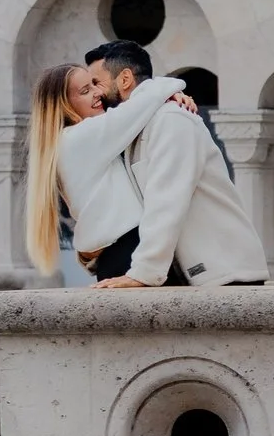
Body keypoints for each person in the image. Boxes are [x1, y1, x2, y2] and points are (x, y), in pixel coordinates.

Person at [84, 41, 269, 290]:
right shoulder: (136, 127)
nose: (95, 92)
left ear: (125, 79)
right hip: (196, 279)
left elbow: (167, 199)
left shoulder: (171, 119)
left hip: (224, 277)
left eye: (97, 82)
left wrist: (144, 272)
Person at [22, 61, 196, 280]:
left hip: (118, 256)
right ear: (63, 105)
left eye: (95, 84)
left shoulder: (63, 144)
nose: (98, 93)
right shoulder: (80, 138)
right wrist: (170, 91)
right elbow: (141, 104)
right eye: (85, 91)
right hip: (130, 254)